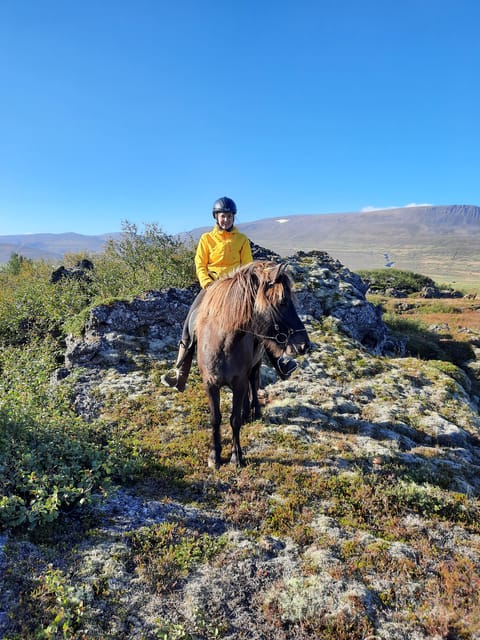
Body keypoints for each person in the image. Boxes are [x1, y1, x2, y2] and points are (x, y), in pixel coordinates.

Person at [161, 196, 297, 391]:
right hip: (212, 288)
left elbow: (248, 267)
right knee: (190, 322)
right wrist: (207, 284)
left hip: (237, 291)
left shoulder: (241, 240)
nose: (226, 220)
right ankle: (179, 372)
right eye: (223, 216)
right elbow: (200, 264)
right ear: (216, 217)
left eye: (229, 216)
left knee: (262, 319)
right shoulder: (206, 239)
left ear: (234, 218)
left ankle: (280, 362)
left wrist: (242, 288)